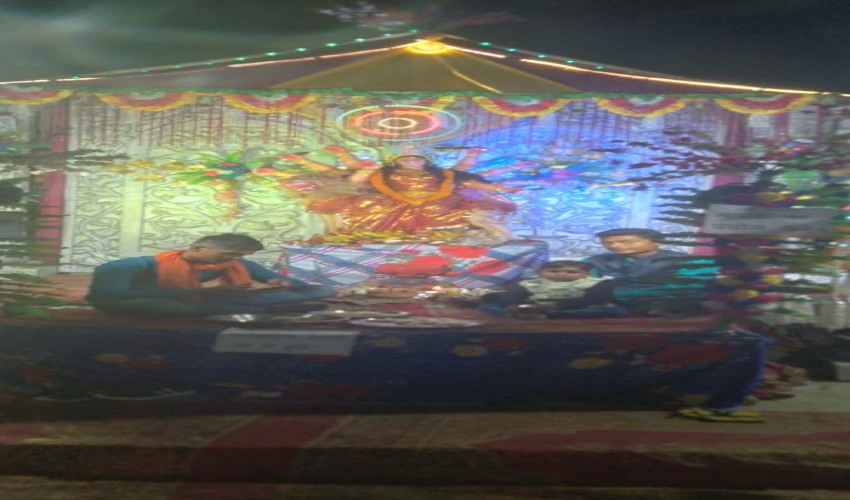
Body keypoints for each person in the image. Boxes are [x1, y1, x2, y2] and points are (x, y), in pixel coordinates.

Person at [281, 146, 521, 243]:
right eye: (406, 159)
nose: (412, 162)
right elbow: (351, 174)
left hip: (437, 200)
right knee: (369, 203)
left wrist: (502, 190)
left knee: (443, 210)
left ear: (425, 161)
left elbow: (469, 178)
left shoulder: (444, 174)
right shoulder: (383, 174)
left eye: (416, 159)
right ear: (397, 162)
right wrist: (339, 156)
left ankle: (485, 236)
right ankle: (359, 235)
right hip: (393, 199)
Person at [85, 233, 336, 317]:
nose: (231, 260)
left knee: (323, 290)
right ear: (198, 248)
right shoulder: (124, 267)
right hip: (130, 302)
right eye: (227, 254)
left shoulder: (224, 263)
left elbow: (263, 274)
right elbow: (110, 295)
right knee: (165, 307)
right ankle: (260, 311)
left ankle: (253, 309)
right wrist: (204, 292)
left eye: (238, 256)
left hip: (204, 299)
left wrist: (278, 282)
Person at [586, 228, 716, 306]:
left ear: (658, 242)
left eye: (626, 242)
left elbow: (687, 287)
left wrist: (618, 294)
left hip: (665, 302)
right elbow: (582, 282)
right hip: (606, 303)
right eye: (607, 243)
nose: (614, 246)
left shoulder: (694, 261)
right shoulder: (594, 261)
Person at [478, 260, 626, 318]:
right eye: (553, 271)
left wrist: (557, 305)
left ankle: (548, 313)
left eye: (570, 272)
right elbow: (514, 294)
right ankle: (522, 312)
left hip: (576, 306)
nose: (561, 274)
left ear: (585, 274)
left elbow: (593, 299)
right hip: (535, 304)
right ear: (540, 273)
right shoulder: (532, 283)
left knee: (613, 310)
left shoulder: (596, 283)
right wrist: (511, 305)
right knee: (491, 303)